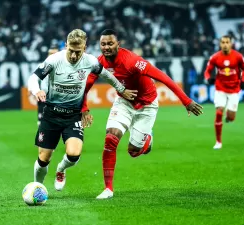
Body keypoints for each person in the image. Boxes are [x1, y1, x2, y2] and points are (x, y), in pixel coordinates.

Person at [82, 29, 203, 199]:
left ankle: (148, 139)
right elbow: (86, 85)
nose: (106, 47)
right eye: (103, 44)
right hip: (124, 102)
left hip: (147, 105)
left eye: (110, 43)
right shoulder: (99, 62)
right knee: (111, 138)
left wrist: (186, 101)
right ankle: (108, 189)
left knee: (133, 151)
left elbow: (163, 77)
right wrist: (84, 108)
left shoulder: (132, 61)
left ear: (118, 44)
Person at [27, 29, 137, 191]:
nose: (73, 55)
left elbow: (107, 76)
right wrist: (36, 90)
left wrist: (121, 89)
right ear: (66, 46)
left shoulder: (90, 62)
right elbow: (33, 78)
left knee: (73, 154)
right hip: (51, 114)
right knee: (44, 158)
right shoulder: (54, 60)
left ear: (84, 48)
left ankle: (61, 169)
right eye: (70, 50)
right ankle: (38, 188)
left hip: (72, 116)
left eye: (77, 52)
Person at [204, 35, 244, 150]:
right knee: (219, 112)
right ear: (220, 44)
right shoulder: (215, 57)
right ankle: (218, 142)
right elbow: (207, 71)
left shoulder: (238, 56)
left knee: (231, 117)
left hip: (234, 89)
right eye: (222, 42)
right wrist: (209, 78)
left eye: (227, 42)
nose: (225, 44)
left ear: (231, 43)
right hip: (220, 89)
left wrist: (243, 80)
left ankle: (229, 117)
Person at [37, 45, 59, 126]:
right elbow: (35, 79)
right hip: (43, 96)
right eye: (50, 53)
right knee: (41, 122)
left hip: (57, 98)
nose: (52, 55)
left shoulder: (62, 67)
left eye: (54, 53)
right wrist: (34, 89)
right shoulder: (42, 65)